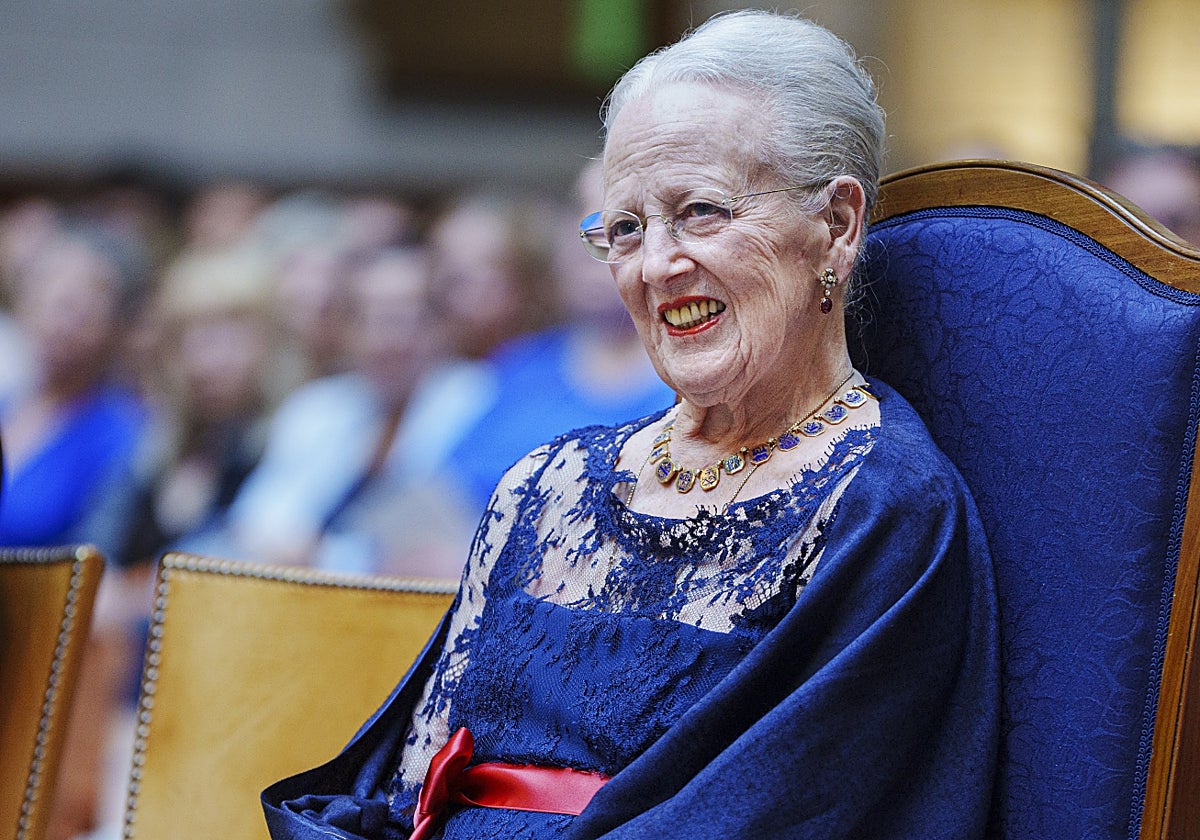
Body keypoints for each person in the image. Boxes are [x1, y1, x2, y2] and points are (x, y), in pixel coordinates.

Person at [263, 10, 999, 839]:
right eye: (624, 229)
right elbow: (408, 791)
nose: (655, 265)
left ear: (836, 225)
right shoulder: (545, 484)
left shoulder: (887, 512)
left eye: (702, 211)